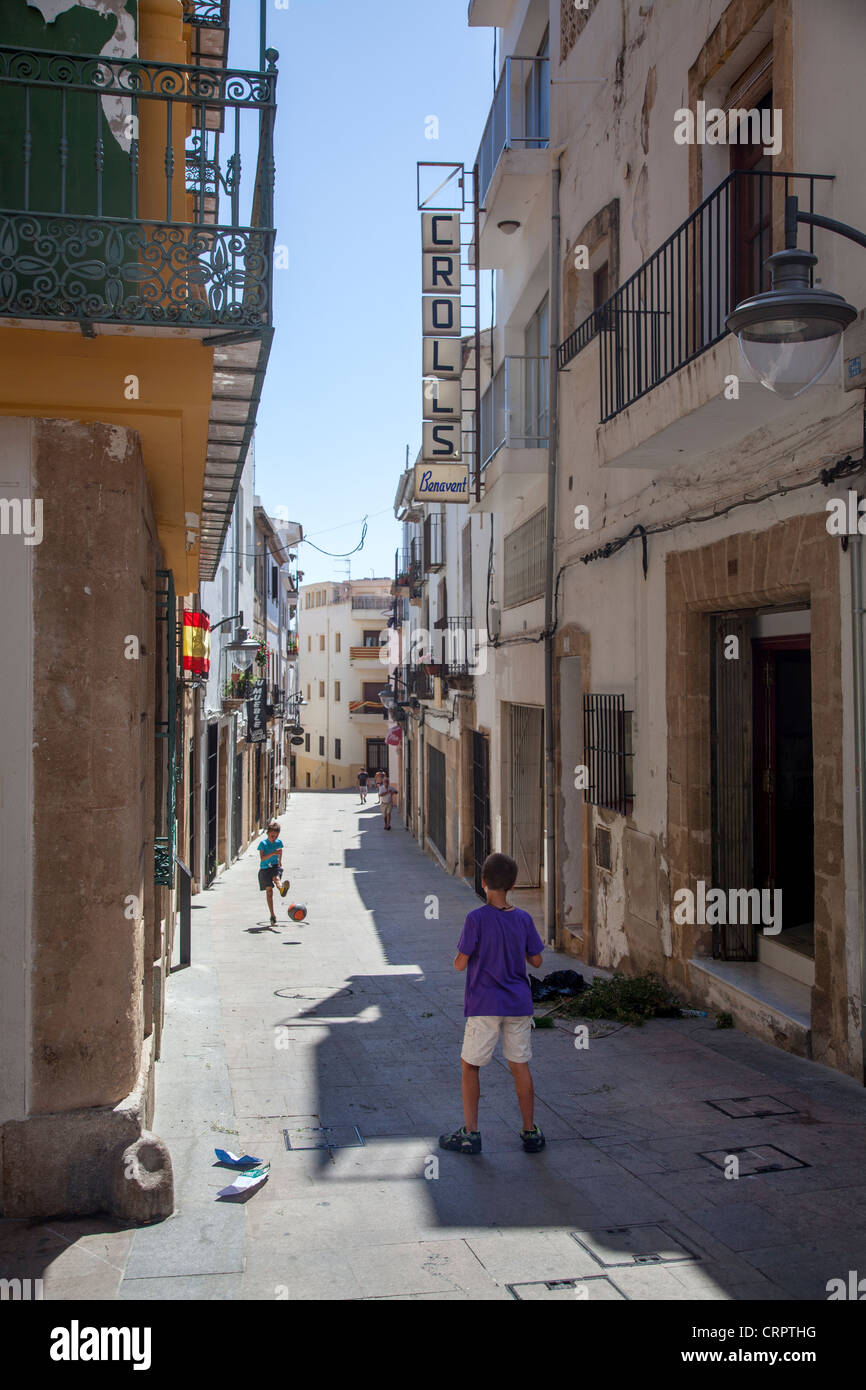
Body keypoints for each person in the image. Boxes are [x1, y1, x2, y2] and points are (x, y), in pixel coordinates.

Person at [440, 851, 546, 1156]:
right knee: (520, 1065)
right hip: (517, 1004)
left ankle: (471, 1133)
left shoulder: (475, 919)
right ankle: (530, 1130)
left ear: (483, 882)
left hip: (484, 1003)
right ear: (511, 885)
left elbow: (460, 964)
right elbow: (536, 960)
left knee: (470, 1065)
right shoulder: (523, 919)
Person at [258, 819, 289, 925]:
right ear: (267, 833)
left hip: (275, 867)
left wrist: (280, 861)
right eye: (272, 836)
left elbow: (280, 852)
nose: (274, 838)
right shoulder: (263, 844)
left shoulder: (279, 842)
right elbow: (262, 858)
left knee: (276, 878)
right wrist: (273, 853)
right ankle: (272, 915)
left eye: (276, 836)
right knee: (269, 892)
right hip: (265, 869)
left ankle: (282, 889)